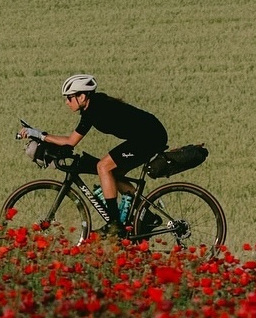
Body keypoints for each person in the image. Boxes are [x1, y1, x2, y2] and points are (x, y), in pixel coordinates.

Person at [19, 75, 168, 235]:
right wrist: (40, 135)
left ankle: (114, 223)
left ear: (82, 96)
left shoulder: (95, 108)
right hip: (146, 135)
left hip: (149, 137)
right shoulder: (94, 105)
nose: (66, 102)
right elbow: (70, 141)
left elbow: (70, 141)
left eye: (69, 98)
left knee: (102, 166)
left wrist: (39, 135)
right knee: (113, 173)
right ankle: (148, 217)